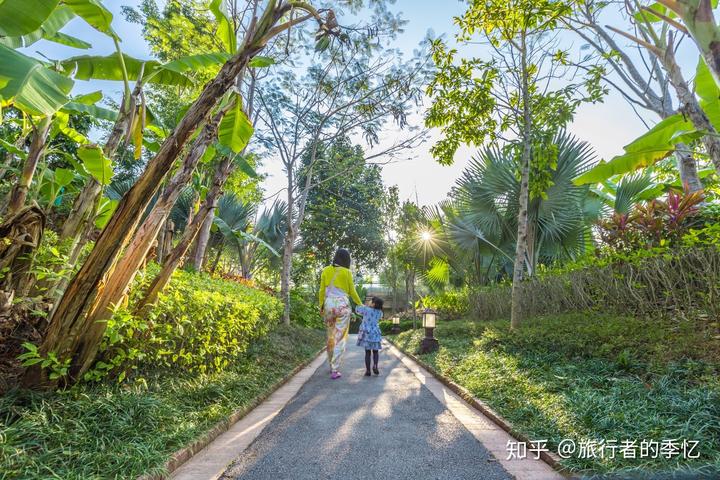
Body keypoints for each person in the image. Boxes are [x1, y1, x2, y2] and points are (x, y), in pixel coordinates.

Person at [319, 248, 363, 379]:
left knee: (330, 336)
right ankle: (335, 369)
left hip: (328, 306)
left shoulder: (326, 270)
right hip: (342, 307)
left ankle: (330, 364)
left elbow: (322, 290)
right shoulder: (347, 272)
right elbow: (352, 292)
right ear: (346, 259)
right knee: (340, 338)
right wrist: (361, 305)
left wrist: (321, 305)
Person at [356, 297, 384, 376]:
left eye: (370, 301)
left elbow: (357, 310)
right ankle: (375, 365)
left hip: (367, 333)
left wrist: (361, 304)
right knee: (375, 351)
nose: (369, 302)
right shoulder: (380, 312)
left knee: (367, 352)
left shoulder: (366, 309)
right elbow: (379, 318)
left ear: (373, 303)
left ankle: (368, 371)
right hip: (375, 332)